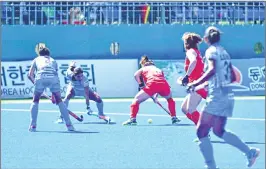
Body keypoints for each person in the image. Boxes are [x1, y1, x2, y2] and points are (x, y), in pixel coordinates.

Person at [187, 26, 260, 169]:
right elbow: (232, 75)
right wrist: (211, 84)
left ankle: (211, 166)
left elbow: (212, 69)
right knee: (219, 131)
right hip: (227, 95)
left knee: (201, 131)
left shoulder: (211, 51)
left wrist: (196, 82)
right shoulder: (224, 52)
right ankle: (250, 152)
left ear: (206, 39)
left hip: (217, 96)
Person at [122, 55, 180, 125]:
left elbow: (136, 75)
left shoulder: (144, 68)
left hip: (152, 84)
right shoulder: (158, 69)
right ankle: (174, 117)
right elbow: (159, 82)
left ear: (144, 64)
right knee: (169, 99)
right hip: (164, 85)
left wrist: (141, 85)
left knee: (136, 100)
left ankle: (132, 119)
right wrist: (155, 97)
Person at [27, 47, 75, 132]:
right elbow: (55, 74)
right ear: (48, 54)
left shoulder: (36, 59)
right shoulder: (53, 60)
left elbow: (29, 75)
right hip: (53, 79)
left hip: (40, 77)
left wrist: (34, 81)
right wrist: (54, 96)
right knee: (60, 101)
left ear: (39, 54)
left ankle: (33, 125)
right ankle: (69, 125)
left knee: (35, 100)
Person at [179, 32, 207, 125]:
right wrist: (185, 80)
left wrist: (187, 76)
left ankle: (204, 131)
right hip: (196, 83)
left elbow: (193, 62)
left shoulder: (190, 51)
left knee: (190, 109)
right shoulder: (196, 52)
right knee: (184, 109)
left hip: (197, 84)